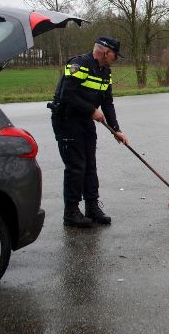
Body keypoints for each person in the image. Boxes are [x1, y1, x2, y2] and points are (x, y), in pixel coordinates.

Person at [50, 37, 128, 227]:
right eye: (115, 56)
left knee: (89, 165)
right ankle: (71, 212)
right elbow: (67, 95)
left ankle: (92, 207)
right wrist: (91, 110)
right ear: (105, 52)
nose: (115, 60)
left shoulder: (105, 73)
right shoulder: (79, 64)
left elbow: (107, 103)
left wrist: (116, 130)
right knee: (76, 166)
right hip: (67, 119)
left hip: (84, 121)